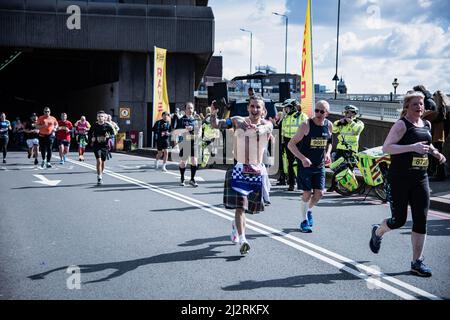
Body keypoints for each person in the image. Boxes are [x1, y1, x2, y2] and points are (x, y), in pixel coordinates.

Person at [369, 91, 446, 277]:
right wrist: (412, 147)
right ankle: (378, 232)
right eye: (415, 104)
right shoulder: (401, 125)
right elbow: (387, 147)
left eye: (421, 104)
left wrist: (435, 153)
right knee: (399, 220)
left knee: (421, 220)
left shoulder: (426, 124)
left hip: (420, 178)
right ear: (407, 107)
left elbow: (427, 144)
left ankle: (416, 262)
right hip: (399, 179)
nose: (419, 107)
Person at [211, 96, 273, 255]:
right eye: (252, 106)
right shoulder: (238, 121)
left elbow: (264, 129)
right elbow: (216, 125)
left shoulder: (267, 124)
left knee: (247, 210)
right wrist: (213, 114)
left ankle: (235, 226)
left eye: (258, 107)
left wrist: (255, 128)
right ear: (248, 107)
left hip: (256, 172)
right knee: (240, 207)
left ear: (263, 109)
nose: (255, 110)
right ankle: (243, 239)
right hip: (238, 169)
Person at [288, 100, 333, 233]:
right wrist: (302, 158)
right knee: (307, 193)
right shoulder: (306, 125)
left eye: (322, 111)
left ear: (327, 113)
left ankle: (308, 211)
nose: (318, 113)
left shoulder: (329, 125)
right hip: (305, 165)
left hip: (319, 165)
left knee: (320, 193)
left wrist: (328, 153)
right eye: (316, 110)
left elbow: (330, 142)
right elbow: (291, 144)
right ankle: (304, 221)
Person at [328, 105, 365, 192]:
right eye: (346, 112)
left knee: (349, 169)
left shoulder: (359, 123)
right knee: (336, 168)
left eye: (349, 112)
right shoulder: (342, 123)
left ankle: (351, 187)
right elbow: (333, 130)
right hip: (340, 148)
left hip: (351, 150)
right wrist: (339, 123)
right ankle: (334, 185)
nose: (347, 114)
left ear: (354, 113)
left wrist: (350, 122)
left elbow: (357, 130)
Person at [280, 99, 309, 191]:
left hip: (299, 141)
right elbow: (283, 131)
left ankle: (303, 183)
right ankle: (291, 183)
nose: (285, 110)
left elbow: (307, 129)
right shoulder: (285, 118)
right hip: (288, 142)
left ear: (292, 107)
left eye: (287, 108)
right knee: (290, 163)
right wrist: (283, 142)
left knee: (301, 163)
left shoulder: (302, 116)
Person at [176, 102, 202, 187]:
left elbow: (199, 131)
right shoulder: (181, 120)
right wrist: (185, 130)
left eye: (191, 108)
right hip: (184, 143)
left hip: (194, 143)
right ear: (185, 110)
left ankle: (192, 179)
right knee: (184, 163)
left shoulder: (195, 120)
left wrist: (195, 129)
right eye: (188, 108)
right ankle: (182, 178)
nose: (190, 110)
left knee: (195, 161)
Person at [90, 111, 115, 185]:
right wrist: (92, 138)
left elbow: (113, 133)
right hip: (96, 145)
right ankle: (99, 176)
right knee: (99, 160)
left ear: (104, 118)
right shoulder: (94, 125)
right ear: (97, 118)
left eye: (102, 116)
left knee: (103, 161)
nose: (100, 118)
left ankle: (101, 173)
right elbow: (89, 133)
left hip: (104, 145)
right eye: (99, 116)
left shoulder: (108, 125)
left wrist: (109, 137)